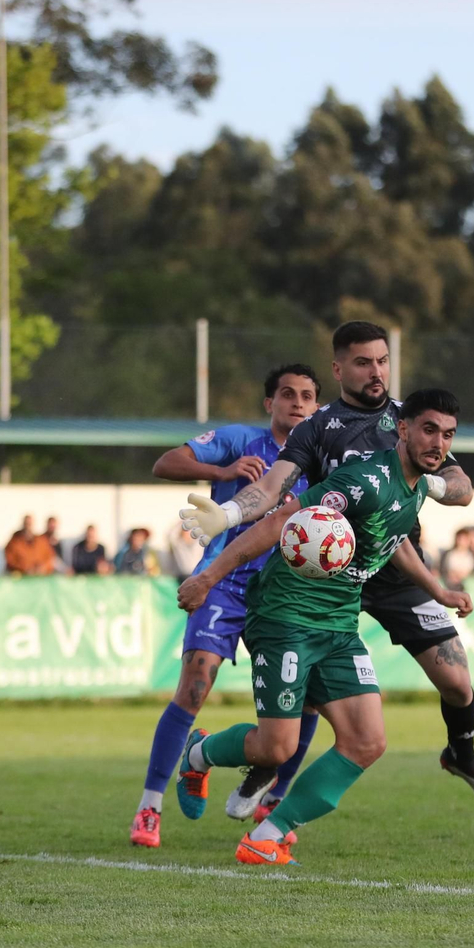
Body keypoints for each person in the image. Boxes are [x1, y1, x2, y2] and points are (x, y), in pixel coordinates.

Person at [180, 323, 474, 811]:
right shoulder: (318, 426)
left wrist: (422, 485)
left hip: (396, 561)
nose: (376, 372)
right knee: (307, 700)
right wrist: (227, 514)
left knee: (458, 683)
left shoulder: (413, 420)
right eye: (362, 362)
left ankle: (462, 753)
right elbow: (273, 492)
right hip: (324, 574)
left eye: (382, 361)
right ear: (338, 369)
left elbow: (462, 487)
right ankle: (265, 764)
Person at [128, 363, 319, 848]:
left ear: (318, 407)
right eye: (287, 394)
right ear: (269, 403)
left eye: (307, 397)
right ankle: (149, 808)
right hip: (225, 582)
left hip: (286, 591)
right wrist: (222, 471)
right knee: (195, 685)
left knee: (309, 698)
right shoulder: (240, 441)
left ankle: (272, 805)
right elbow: (166, 462)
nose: (297, 403)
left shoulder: (322, 456)